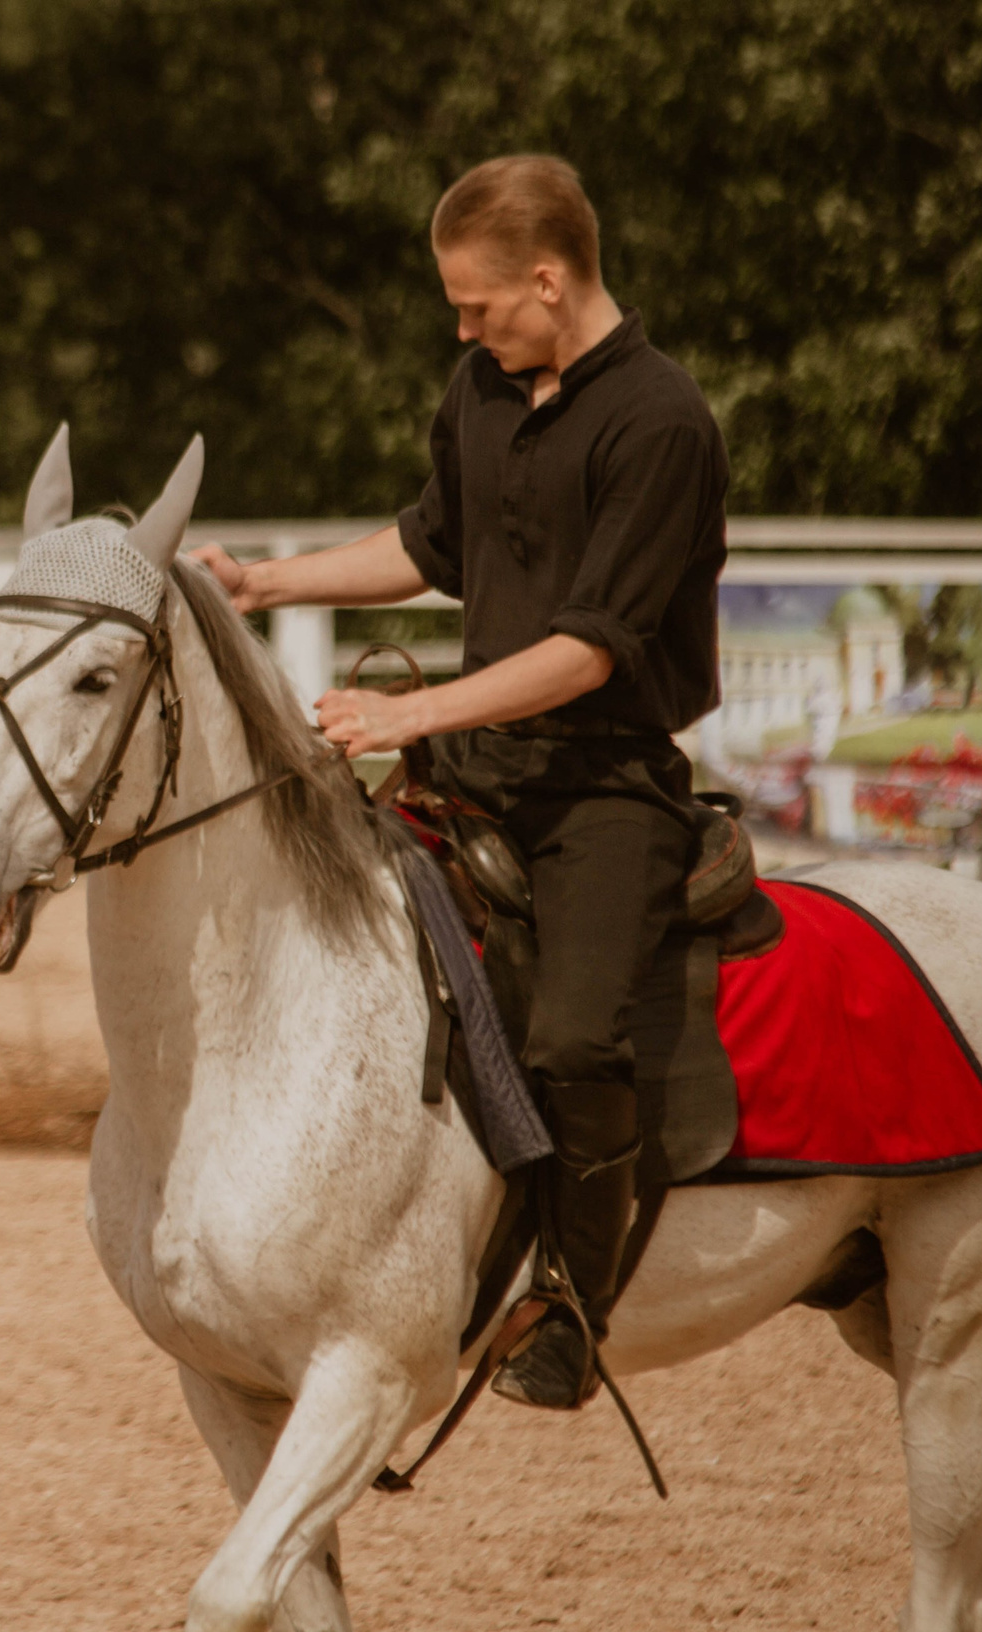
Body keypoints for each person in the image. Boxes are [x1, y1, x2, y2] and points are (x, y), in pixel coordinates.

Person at [190, 154, 727, 1411]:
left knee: (576, 1035)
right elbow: (430, 542)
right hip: (477, 773)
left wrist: (409, 711)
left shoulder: (661, 423)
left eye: (475, 305)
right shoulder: (482, 386)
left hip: (602, 790)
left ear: (548, 280)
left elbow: (590, 651)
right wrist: (266, 583)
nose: (461, 329)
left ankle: (572, 1311)